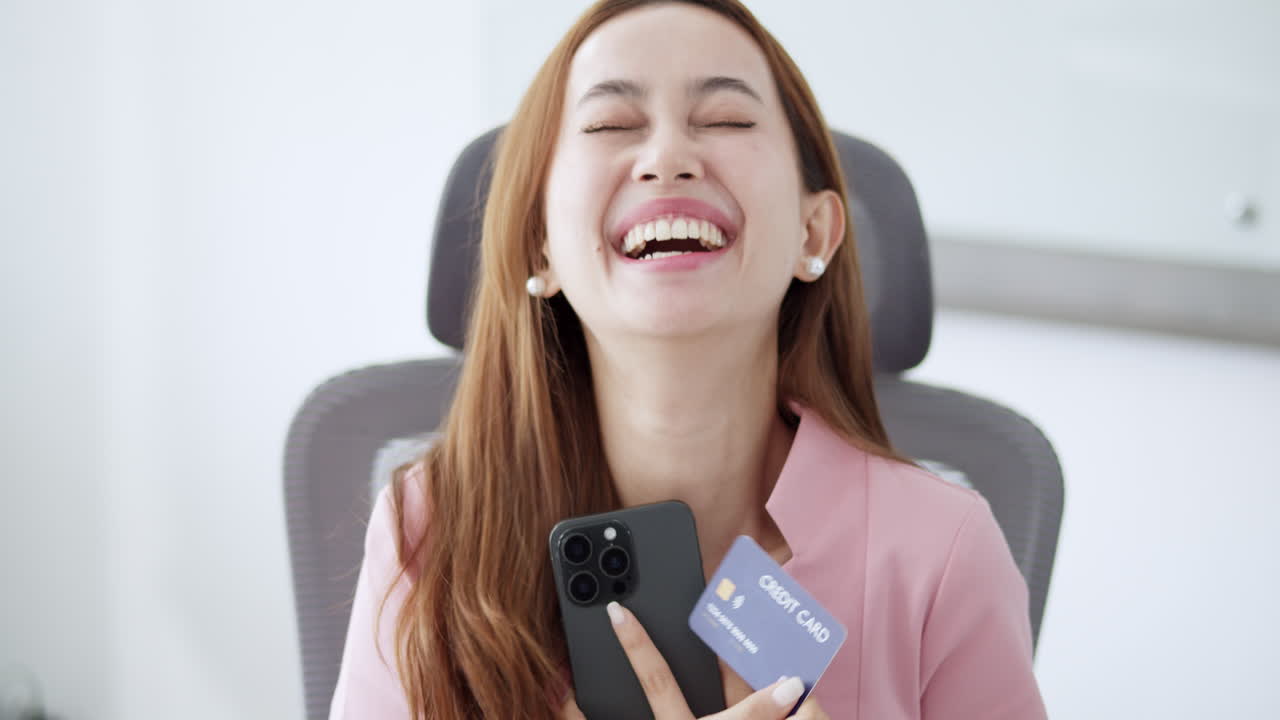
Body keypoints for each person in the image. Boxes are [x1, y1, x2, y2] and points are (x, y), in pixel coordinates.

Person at [329, 0, 1048, 718]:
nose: (668, 158)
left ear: (815, 232)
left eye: (728, 120)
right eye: (611, 125)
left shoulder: (943, 553)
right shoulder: (430, 530)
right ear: (537, 245)